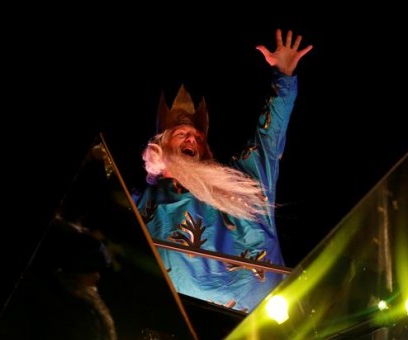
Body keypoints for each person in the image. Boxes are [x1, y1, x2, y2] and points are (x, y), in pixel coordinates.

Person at [132, 28, 312, 313]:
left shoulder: (241, 182)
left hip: (257, 324)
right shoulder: (141, 203)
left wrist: (284, 77)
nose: (193, 139)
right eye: (181, 133)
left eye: (199, 138)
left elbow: (269, 136)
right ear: (160, 148)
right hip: (176, 322)